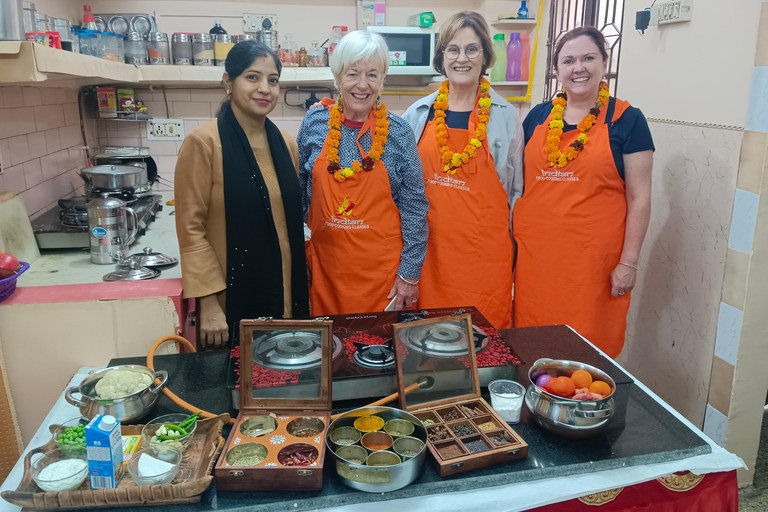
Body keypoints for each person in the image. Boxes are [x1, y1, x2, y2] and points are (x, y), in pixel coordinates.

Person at [514, 26, 654, 358]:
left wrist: (629, 263)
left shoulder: (627, 120)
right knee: (533, 347)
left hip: (592, 269)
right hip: (537, 265)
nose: (579, 68)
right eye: (569, 60)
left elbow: (641, 198)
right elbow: (519, 185)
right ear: (557, 70)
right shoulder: (537, 117)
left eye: (588, 58)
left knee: (585, 357)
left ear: (604, 63)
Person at [175, 41, 309, 349]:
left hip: (286, 291)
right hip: (230, 298)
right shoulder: (204, 143)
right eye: (252, 77)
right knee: (240, 387)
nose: (265, 88)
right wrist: (208, 304)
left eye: (273, 80)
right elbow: (190, 230)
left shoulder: (286, 144)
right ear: (228, 82)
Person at [402, 11, 523, 328]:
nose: (462, 58)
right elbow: (400, 189)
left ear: (485, 55)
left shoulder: (506, 117)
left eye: (472, 49)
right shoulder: (417, 114)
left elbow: (516, 192)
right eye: (453, 49)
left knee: (481, 346)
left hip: (483, 258)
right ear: (442, 57)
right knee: (426, 345)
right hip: (430, 258)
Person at [297, 30, 429, 315]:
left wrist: (408, 275)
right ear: (337, 77)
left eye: (372, 74)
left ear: (383, 79)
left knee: (379, 354)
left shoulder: (398, 132)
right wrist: (298, 259)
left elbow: (415, 207)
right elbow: (298, 193)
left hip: (381, 280)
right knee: (330, 353)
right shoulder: (314, 122)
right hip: (324, 273)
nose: (362, 85)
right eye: (352, 74)